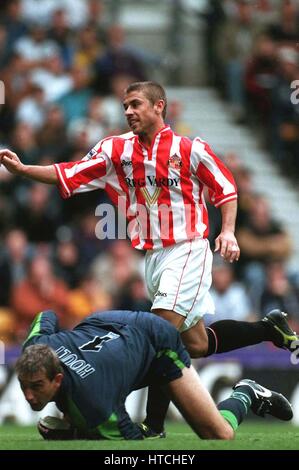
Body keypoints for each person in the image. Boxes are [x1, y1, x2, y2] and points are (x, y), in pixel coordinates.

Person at [1, 81, 298, 437]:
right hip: (153, 258)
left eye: (136, 104)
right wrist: (23, 170)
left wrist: (229, 231)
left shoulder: (189, 149)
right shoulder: (116, 151)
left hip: (187, 248)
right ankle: (270, 328)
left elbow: (225, 187)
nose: (128, 111)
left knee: (156, 336)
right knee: (196, 344)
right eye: (125, 105)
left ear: (159, 107)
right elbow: (69, 173)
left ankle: (153, 426)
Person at [16, 309, 293, 441]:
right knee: (200, 342)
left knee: (219, 435)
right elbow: (47, 314)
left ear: (57, 378)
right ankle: (267, 328)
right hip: (109, 322)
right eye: (24, 386)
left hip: (155, 341)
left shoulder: (96, 403)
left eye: (37, 386)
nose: (29, 396)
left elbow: (133, 443)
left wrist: (74, 434)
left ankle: (247, 392)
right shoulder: (35, 347)